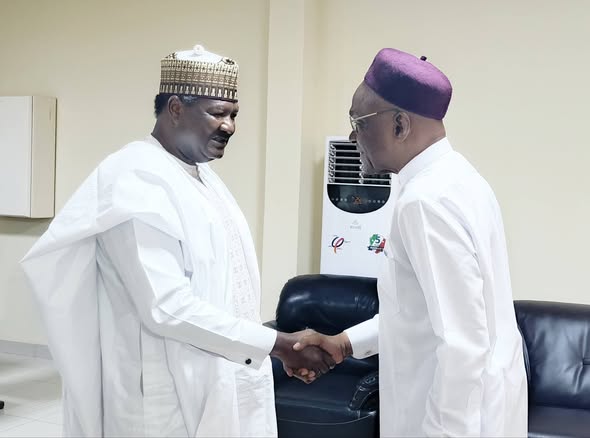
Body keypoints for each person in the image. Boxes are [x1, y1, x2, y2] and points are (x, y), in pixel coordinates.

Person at [21, 44, 333, 437]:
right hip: (161, 394)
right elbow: (167, 306)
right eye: (217, 113)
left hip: (220, 373)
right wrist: (278, 343)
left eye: (234, 114)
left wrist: (268, 346)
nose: (229, 126)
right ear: (175, 108)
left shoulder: (202, 177)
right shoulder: (136, 178)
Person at [293, 48, 528, 436]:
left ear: (400, 125)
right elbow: (417, 314)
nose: (352, 136)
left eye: (358, 122)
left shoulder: (426, 201)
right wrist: (345, 343)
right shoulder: (461, 180)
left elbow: (462, 345)